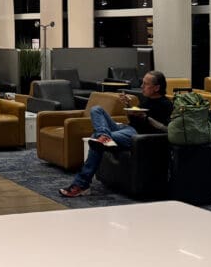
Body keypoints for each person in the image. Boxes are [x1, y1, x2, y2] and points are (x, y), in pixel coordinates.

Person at [59, 70, 173, 198]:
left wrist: (145, 117)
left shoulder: (166, 105)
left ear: (156, 88)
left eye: (146, 84)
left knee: (96, 139)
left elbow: (165, 129)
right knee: (96, 109)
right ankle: (104, 136)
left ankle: (81, 184)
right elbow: (134, 121)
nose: (142, 86)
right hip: (127, 128)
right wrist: (128, 106)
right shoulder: (147, 100)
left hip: (139, 136)